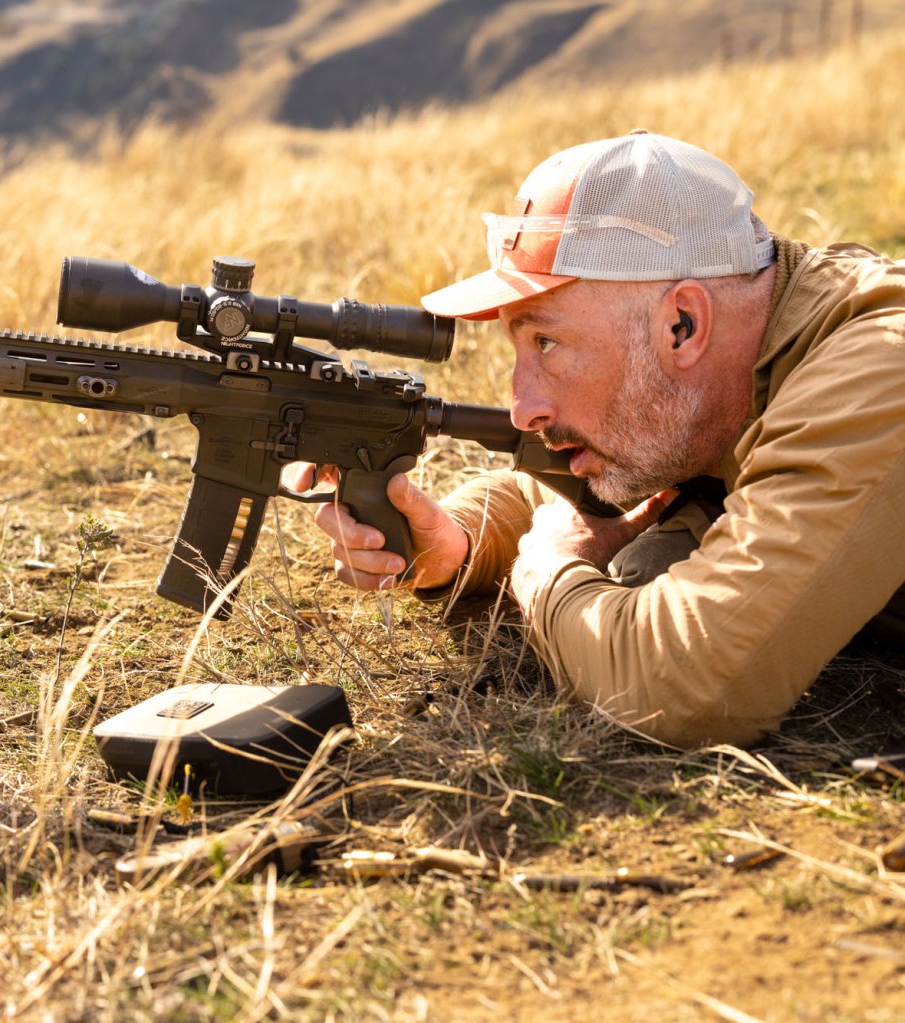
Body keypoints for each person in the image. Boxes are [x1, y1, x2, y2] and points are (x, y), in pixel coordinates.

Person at [300, 130, 905, 747]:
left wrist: (546, 575)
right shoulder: (725, 375)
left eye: (548, 343)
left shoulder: (879, 372)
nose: (522, 409)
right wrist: (459, 547)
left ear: (681, 324)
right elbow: (581, 500)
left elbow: (691, 689)